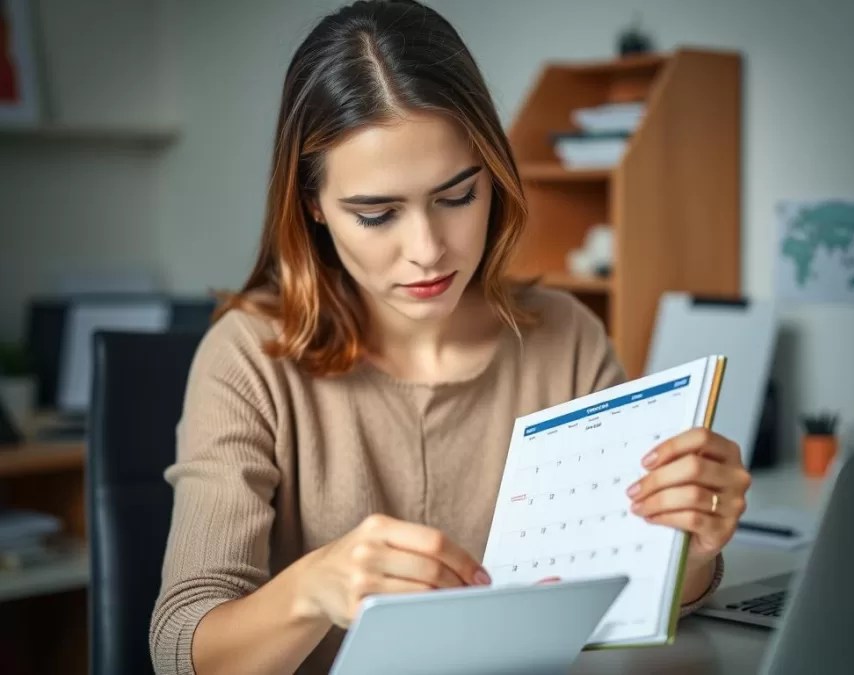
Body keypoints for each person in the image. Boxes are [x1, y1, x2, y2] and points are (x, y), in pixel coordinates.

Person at [149, 1, 751, 673]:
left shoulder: (567, 337)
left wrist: (691, 549)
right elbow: (182, 650)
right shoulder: (247, 357)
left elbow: (627, 600)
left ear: (493, 175)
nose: (428, 250)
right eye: (377, 214)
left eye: (458, 197)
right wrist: (311, 590)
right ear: (313, 205)